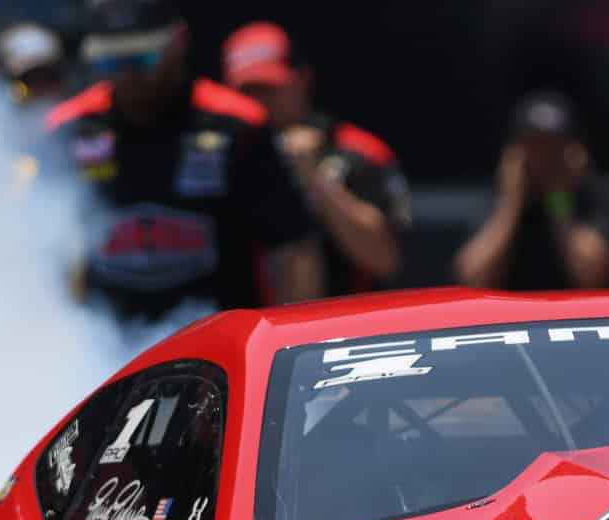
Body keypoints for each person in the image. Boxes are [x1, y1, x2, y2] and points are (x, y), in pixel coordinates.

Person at [46, 0, 321, 324]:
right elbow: (48, 255)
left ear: (177, 42)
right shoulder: (70, 129)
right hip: (105, 347)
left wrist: (289, 334)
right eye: (110, 61)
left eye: (141, 59)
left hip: (218, 342)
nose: (127, 74)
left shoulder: (237, 126)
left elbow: (293, 248)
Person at [221, 21, 409, 296]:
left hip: (348, 324)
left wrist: (313, 178)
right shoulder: (218, 158)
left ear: (302, 79)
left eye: (270, 88)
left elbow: (386, 261)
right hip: (245, 322)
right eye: (248, 91)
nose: (260, 102)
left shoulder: (359, 153)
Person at [454, 91, 609, 291]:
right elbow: (471, 278)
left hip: (576, 316)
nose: (544, 159)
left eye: (553, 148)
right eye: (535, 147)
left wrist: (558, 198)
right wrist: (512, 202)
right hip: (515, 318)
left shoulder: (595, 198)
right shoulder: (497, 200)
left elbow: (593, 276)